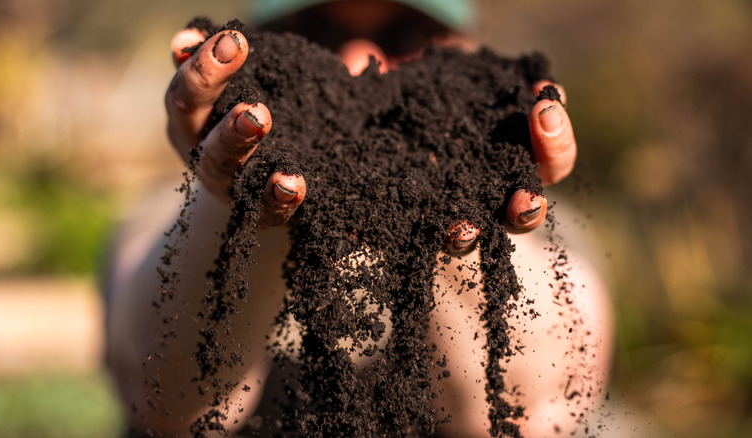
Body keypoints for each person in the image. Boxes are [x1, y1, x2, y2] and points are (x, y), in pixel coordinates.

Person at [105, 0, 613, 436]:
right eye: (317, 36)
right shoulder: (180, 212)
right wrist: (242, 202)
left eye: (405, 36)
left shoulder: (535, 226)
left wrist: (447, 209)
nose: (355, 62)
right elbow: (164, 402)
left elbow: (537, 409)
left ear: (469, 55)